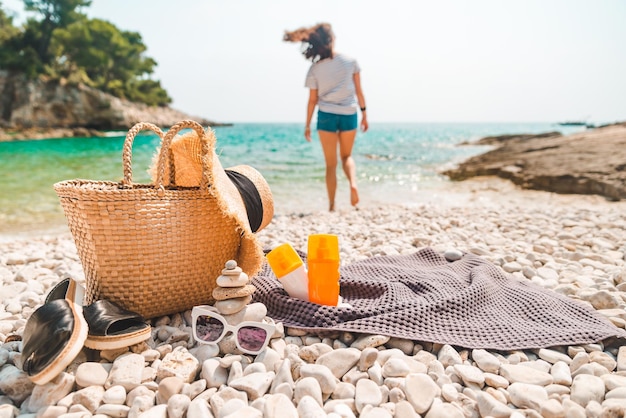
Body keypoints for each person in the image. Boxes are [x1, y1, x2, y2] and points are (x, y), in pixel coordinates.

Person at [283, 22, 368, 211]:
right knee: (347, 156)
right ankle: (353, 184)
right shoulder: (351, 62)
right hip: (349, 113)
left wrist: (307, 125)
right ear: (332, 40)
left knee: (331, 164)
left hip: (326, 116)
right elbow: (359, 92)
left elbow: (312, 100)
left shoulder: (315, 69)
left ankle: (331, 206)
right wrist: (364, 114)